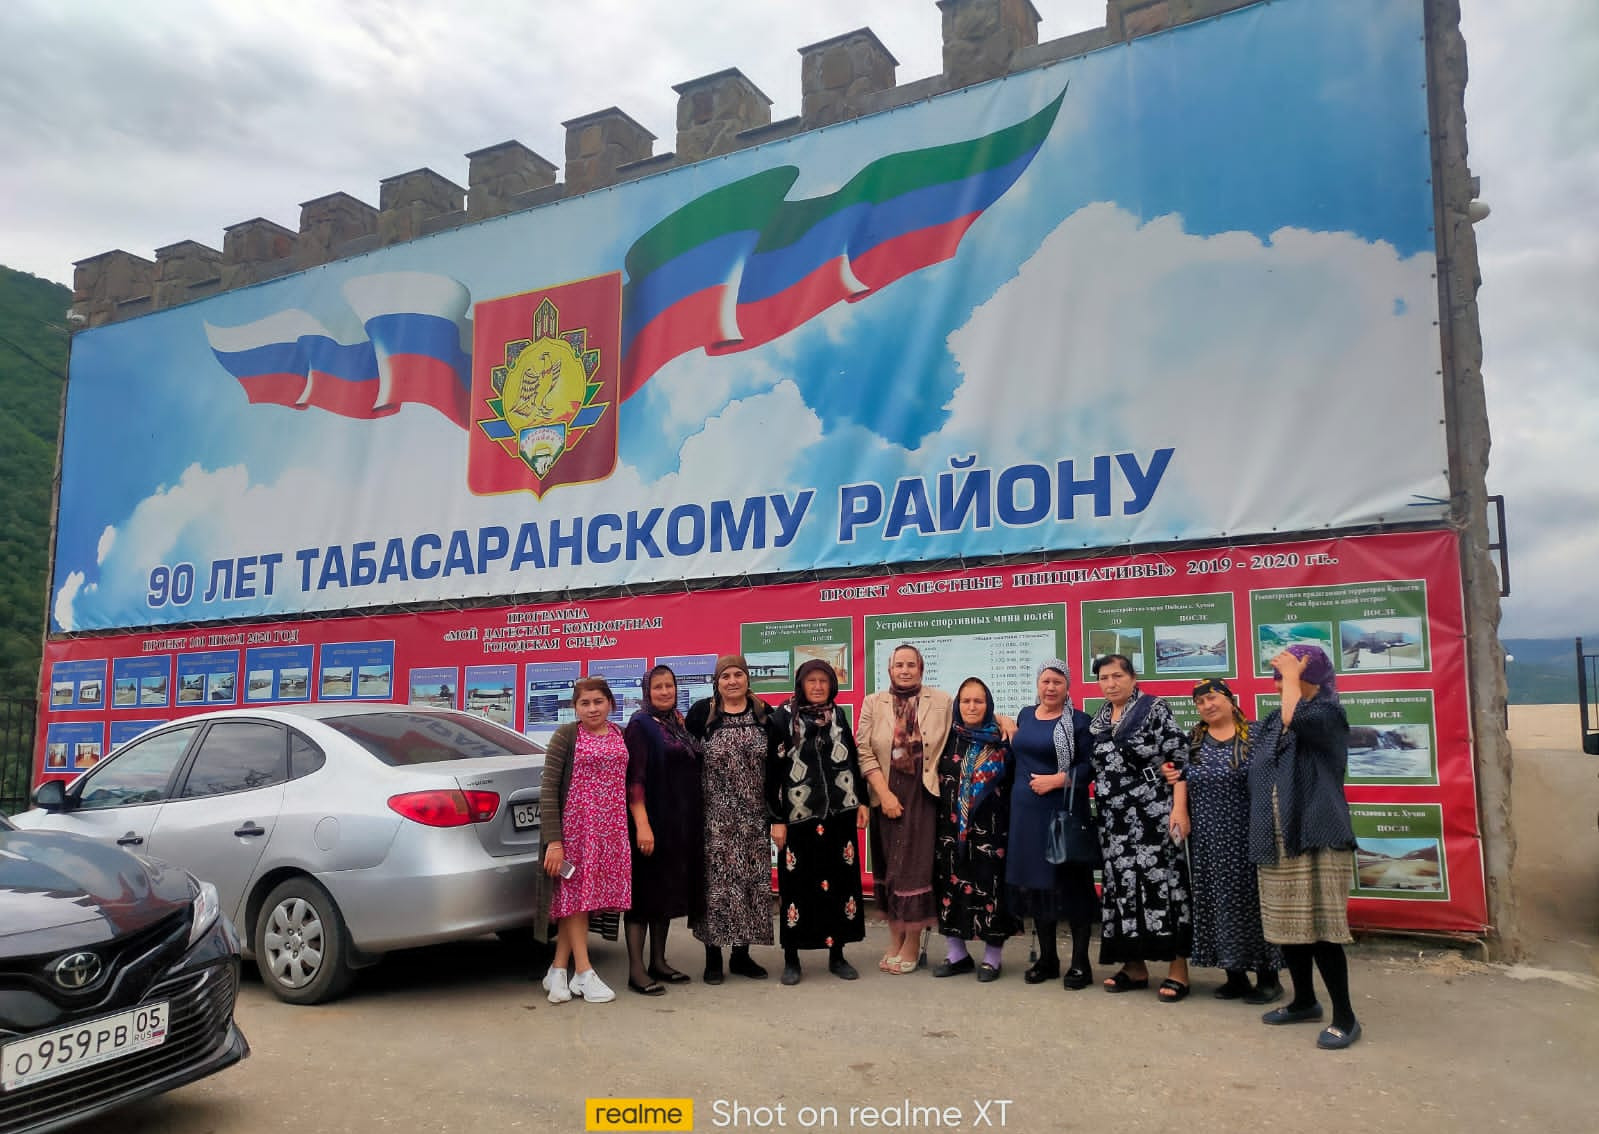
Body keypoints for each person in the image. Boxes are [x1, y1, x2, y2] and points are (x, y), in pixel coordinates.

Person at [1249, 644, 1363, 1049]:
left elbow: (1298, 718)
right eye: (1279, 673)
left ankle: (1346, 1017)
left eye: (1289, 671)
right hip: (1276, 837)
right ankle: (1303, 1001)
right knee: (1287, 928)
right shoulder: (1269, 723)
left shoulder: (1329, 715)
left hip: (1316, 833)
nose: (1279, 678)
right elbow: (1252, 768)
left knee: (1321, 931)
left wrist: (1295, 678)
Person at [1162, 679, 1283, 1003]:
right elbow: (1179, 777)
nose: (1207, 705)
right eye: (1200, 702)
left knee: (1251, 904)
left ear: (1230, 700)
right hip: (1206, 837)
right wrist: (1179, 810)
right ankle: (1235, 975)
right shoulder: (1194, 740)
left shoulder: (1255, 736)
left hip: (1247, 832)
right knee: (1215, 902)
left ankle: (1268, 977)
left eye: (1212, 698)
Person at [1088, 653, 1193, 1000]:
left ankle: (1178, 970)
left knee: (1163, 884)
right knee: (1122, 889)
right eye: (1104, 677)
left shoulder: (1154, 708)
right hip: (1114, 823)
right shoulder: (1098, 721)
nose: (1110, 683)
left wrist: (1179, 809)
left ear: (1133, 677)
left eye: (1117, 675)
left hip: (1153, 815)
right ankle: (1134, 967)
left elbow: (1178, 760)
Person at [767, 659, 869, 985]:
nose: (818, 686)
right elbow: (773, 771)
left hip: (839, 815)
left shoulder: (838, 716)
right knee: (797, 886)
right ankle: (792, 957)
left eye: (823, 680)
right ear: (801, 684)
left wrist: (863, 800)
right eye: (811, 681)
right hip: (798, 819)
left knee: (841, 884)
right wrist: (776, 819)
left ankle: (837, 954)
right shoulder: (783, 718)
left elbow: (851, 757)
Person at [1004, 659, 1100, 988]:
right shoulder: (1025, 716)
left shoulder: (1079, 723)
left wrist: (1058, 780)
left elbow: (1090, 767)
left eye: (1057, 682)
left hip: (1062, 815)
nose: (1050, 687)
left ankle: (1080, 965)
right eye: (1045, 681)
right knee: (1037, 888)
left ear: (1067, 687)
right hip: (1026, 816)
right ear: (1037, 684)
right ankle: (1047, 960)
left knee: (1072, 889)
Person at [857, 644, 950, 974]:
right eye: (900, 665)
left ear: (921, 669)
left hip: (921, 793)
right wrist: (884, 795)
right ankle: (895, 939)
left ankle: (911, 943)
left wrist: (1002, 719)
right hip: (886, 791)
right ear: (890, 670)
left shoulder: (941, 701)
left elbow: (967, 722)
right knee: (889, 867)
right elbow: (864, 751)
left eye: (912, 664)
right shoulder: (873, 702)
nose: (906, 670)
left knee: (915, 867)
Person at [538, 676, 631, 1005]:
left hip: (610, 833)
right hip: (575, 834)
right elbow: (548, 790)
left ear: (610, 703)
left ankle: (558, 969)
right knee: (575, 898)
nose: (592, 708)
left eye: (598, 702)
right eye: (585, 703)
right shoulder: (566, 735)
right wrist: (554, 842)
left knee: (584, 901)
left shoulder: (619, 734)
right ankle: (584, 972)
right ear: (575, 708)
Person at [684, 654, 775, 983]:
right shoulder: (701, 714)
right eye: (726, 676)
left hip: (753, 818)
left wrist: (775, 814)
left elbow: (777, 766)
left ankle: (741, 955)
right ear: (717, 681)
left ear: (748, 678)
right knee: (718, 889)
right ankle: (713, 958)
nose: (733, 681)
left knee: (750, 885)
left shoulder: (765, 714)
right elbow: (686, 760)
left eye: (738, 674)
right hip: (714, 818)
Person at [621, 665, 705, 995]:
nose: (665, 692)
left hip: (677, 824)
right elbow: (635, 781)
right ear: (647, 691)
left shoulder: (676, 723)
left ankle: (659, 961)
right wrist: (642, 825)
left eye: (669, 685)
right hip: (651, 824)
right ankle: (636, 970)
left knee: (665, 894)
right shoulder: (640, 726)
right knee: (643, 896)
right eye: (658, 687)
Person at [932, 676, 1022, 981]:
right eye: (966, 701)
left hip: (992, 830)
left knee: (991, 888)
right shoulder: (947, 734)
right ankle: (956, 954)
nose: (972, 706)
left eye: (979, 701)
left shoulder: (1003, 737)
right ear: (958, 704)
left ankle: (992, 958)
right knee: (950, 886)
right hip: (950, 829)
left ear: (989, 705)